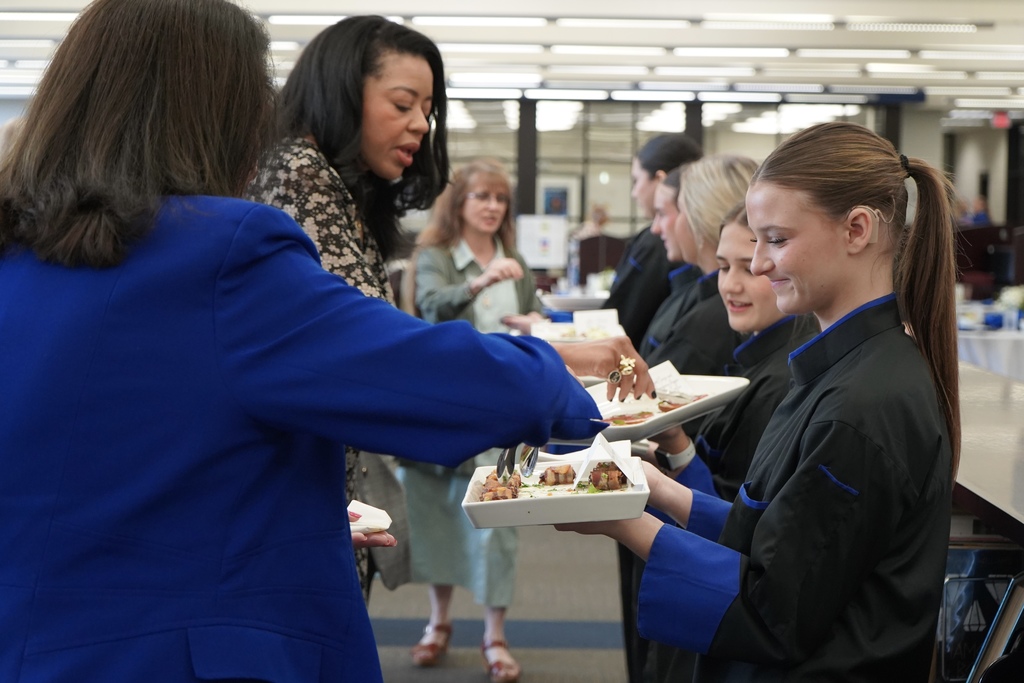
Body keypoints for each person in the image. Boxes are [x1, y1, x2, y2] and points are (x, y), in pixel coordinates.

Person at [0, 2, 606, 682]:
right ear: (217, 110)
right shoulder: (222, 251)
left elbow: (107, 448)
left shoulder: (18, 252)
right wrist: (555, 375)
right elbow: (403, 374)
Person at [559, 121, 961, 681]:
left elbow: (773, 605)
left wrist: (624, 523)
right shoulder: (844, 370)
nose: (762, 263)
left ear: (857, 230)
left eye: (776, 239)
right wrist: (658, 491)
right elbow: (776, 533)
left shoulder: (865, 404)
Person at [246, 14, 450, 600]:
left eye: (428, 109)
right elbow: (365, 344)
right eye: (404, 103)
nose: (420, 125)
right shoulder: (298, 175)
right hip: (292, 494)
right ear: (343, 89)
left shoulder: (336, 184)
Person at [640, 203, 818, 683]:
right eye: (724, 267)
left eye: (751, 267)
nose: (732, 284)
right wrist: (673, 442)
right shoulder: (758, 355)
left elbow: (742, 526)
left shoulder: (783, 379)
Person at [399, 159, 544, 683]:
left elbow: (535, 317)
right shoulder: (435, 256)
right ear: (458, 203)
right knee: (438, 514)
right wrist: (480, 282)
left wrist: (534, 322)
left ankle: (494, 634)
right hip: (446, 411)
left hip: (506, 412)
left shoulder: (517, 260)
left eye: (499, 198)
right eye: (481, 196)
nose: (492, 207)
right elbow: (431, 307)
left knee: (499, 524)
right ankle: (438, 622)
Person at [603, 133, 703, 350]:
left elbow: (621, 320)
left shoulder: (655, 242)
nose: (633, 193)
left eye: (636, 180)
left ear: (660, 180)